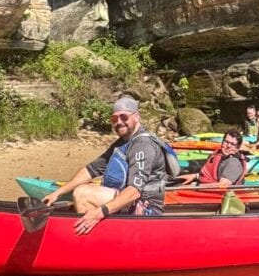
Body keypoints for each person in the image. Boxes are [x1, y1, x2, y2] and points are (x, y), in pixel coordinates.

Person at [42, 96, 169, 232]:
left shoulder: (142, 145)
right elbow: (90, 170)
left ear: (136, 117)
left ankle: (92, 238)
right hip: (128, 200)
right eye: (114, 119)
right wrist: (57, 193)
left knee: (83, 193)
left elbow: (134, 192)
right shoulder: (123, 143)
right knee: (84, 188)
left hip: (146, 208)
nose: (119, 122)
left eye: (124, 117)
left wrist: (100, 212)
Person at [180, 129, 247, 187]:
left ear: (237, 148)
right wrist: (195, 176)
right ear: (222, 142)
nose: (228, 146)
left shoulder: (233, 163)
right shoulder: (219, 155)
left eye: (232, 144)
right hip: (205, 187)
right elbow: (210, 174)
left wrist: (195, 186)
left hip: (217, 196)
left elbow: (222, 186)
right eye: (226, 142)